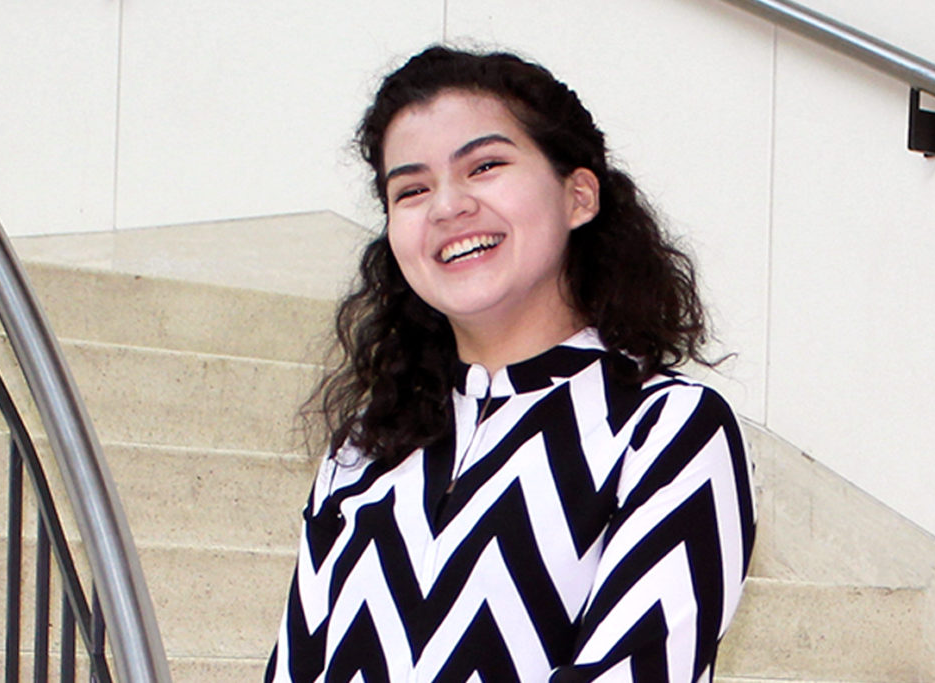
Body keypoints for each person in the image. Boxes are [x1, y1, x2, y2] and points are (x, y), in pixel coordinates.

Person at [266, 45, 755, 683]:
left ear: (579, 195)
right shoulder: (367, 444)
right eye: (411, 189)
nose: (447, 207)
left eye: (485, 165)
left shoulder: (666, 428)